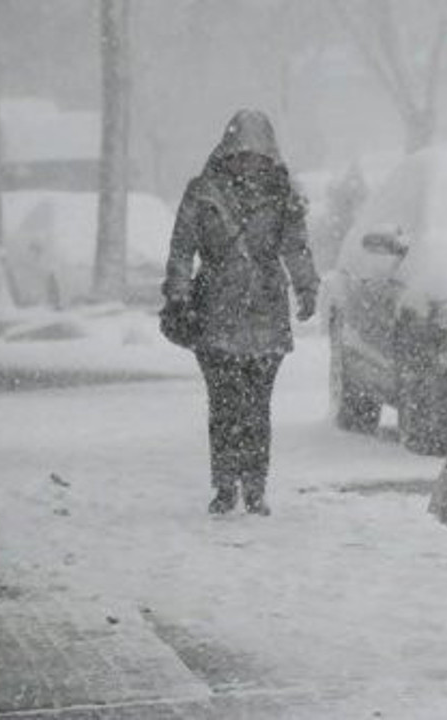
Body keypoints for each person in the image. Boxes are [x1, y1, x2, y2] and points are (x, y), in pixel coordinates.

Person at [162, 109, 319, 516]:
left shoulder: (283, 194)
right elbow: (182, 247)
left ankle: (254, 485)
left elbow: (296, 246)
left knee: (257, 407)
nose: (248, 160)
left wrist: (307, 287)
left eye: (256, 153)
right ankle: (225, 484)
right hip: (215, 313)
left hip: (266, 311)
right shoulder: (203, 192)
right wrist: (178, 296)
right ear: (227, 150)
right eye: (242, 152)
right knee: (224, 405)